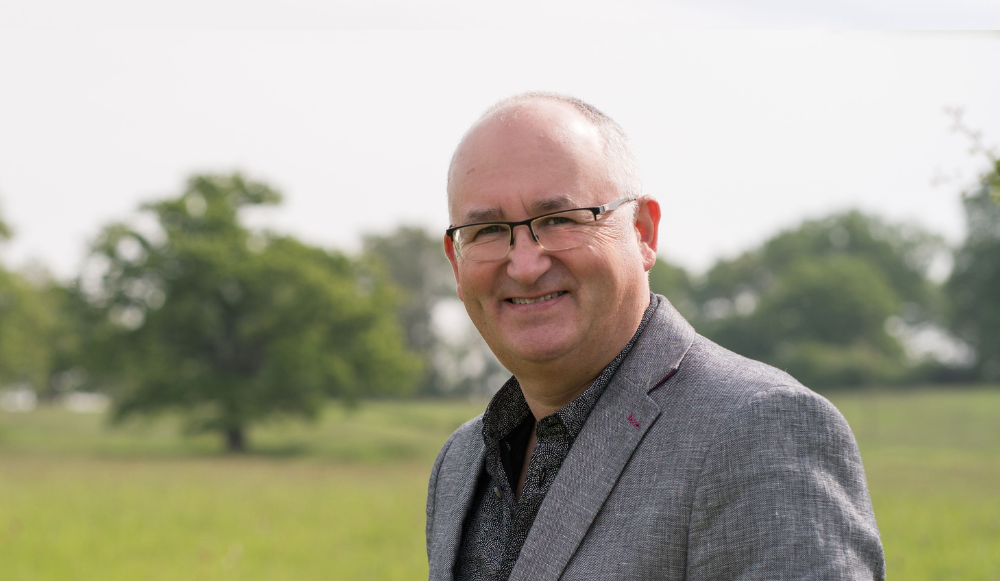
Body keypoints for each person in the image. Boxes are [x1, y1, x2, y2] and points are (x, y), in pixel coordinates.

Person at [426, 92, 885, 581]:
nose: (524, 264)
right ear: (457, 263)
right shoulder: (460, 461)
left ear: (643, 232)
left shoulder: (757, 430)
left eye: (559, 220)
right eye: (489, 230)